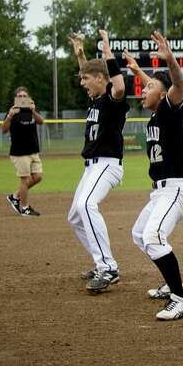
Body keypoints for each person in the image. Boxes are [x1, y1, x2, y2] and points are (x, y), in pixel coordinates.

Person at [123, 33, 183, 321]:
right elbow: (160, 86)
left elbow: (176, 85)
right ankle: (172, 283)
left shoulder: (170, 110)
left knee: (153, 236)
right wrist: (137, 70)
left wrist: (172, 63)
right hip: (161, 191)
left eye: (148, 86)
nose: (142, 88)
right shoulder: (158, 112)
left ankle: (180, 298)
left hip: (176, 189)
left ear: (163, 96)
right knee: (140, 235)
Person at [68, 30, 128, 293]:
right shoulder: (95, 99)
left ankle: (108, 267)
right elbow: (90, 73)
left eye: (86, 79)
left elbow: (120, 86)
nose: (82, 83)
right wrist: (80, 55)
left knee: (85, 204)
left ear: (102, 79)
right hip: (92, 166)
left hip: (107, 163)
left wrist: (107, 53)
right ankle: (99, 261)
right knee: (75, 217)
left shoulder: (112, 101)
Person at [2, 86, 44, 216]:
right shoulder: (13, 112)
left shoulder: (31, 110)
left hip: (33, 151)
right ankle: (24, 207)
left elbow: (41, 121)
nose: (22, 98)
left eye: (24, 96)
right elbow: (3, 130)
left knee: (37, 177)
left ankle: (15, 196)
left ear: (28, 98)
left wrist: (33, 111)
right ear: (15, 99)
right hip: (19, 152)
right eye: (19, 96)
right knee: (24, 181)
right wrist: (9, 116)